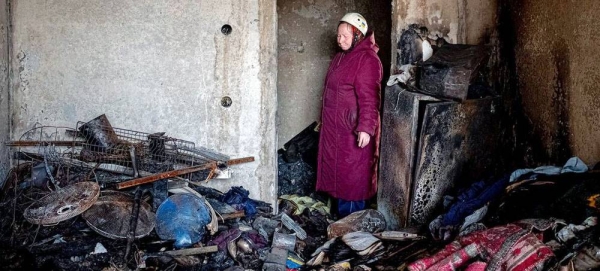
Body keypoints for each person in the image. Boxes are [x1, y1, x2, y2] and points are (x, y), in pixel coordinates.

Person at [316, 12, 383, 218]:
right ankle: (341, 220)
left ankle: (353, 224)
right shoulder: (341, 57)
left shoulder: (367, 59)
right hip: (338, 130)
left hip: (353, 130)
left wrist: (366, 128)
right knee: (340, 174)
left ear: (357, 36)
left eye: (345, 36)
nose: (340, 39)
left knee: (353, 179)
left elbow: (370, 98)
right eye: (338, 35)